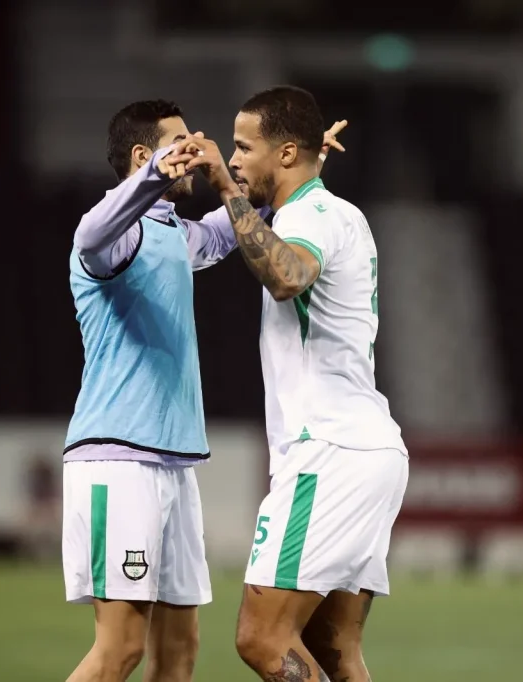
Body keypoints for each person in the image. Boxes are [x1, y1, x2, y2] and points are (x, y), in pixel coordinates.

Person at [61, 98, 343, 682]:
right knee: (119, 650)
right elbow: (89, 235)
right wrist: (153, 176)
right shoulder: (118, 237)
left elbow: (242, 211)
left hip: (173, 466)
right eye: (180, 142)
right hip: (119, 459)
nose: (195, 149)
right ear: (144, 155)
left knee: (180, 650)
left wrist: (305, 161)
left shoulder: (173, 234)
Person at [165, 86, 408, 682]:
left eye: (244, 147)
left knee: (262, 638)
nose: (233, 159)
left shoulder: (310, 215)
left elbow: (287, 276)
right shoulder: (326, 211)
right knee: (333, 650)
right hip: (365, 449)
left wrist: (226, 189)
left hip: (327, 450)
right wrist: (294, 161)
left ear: (288, 153)